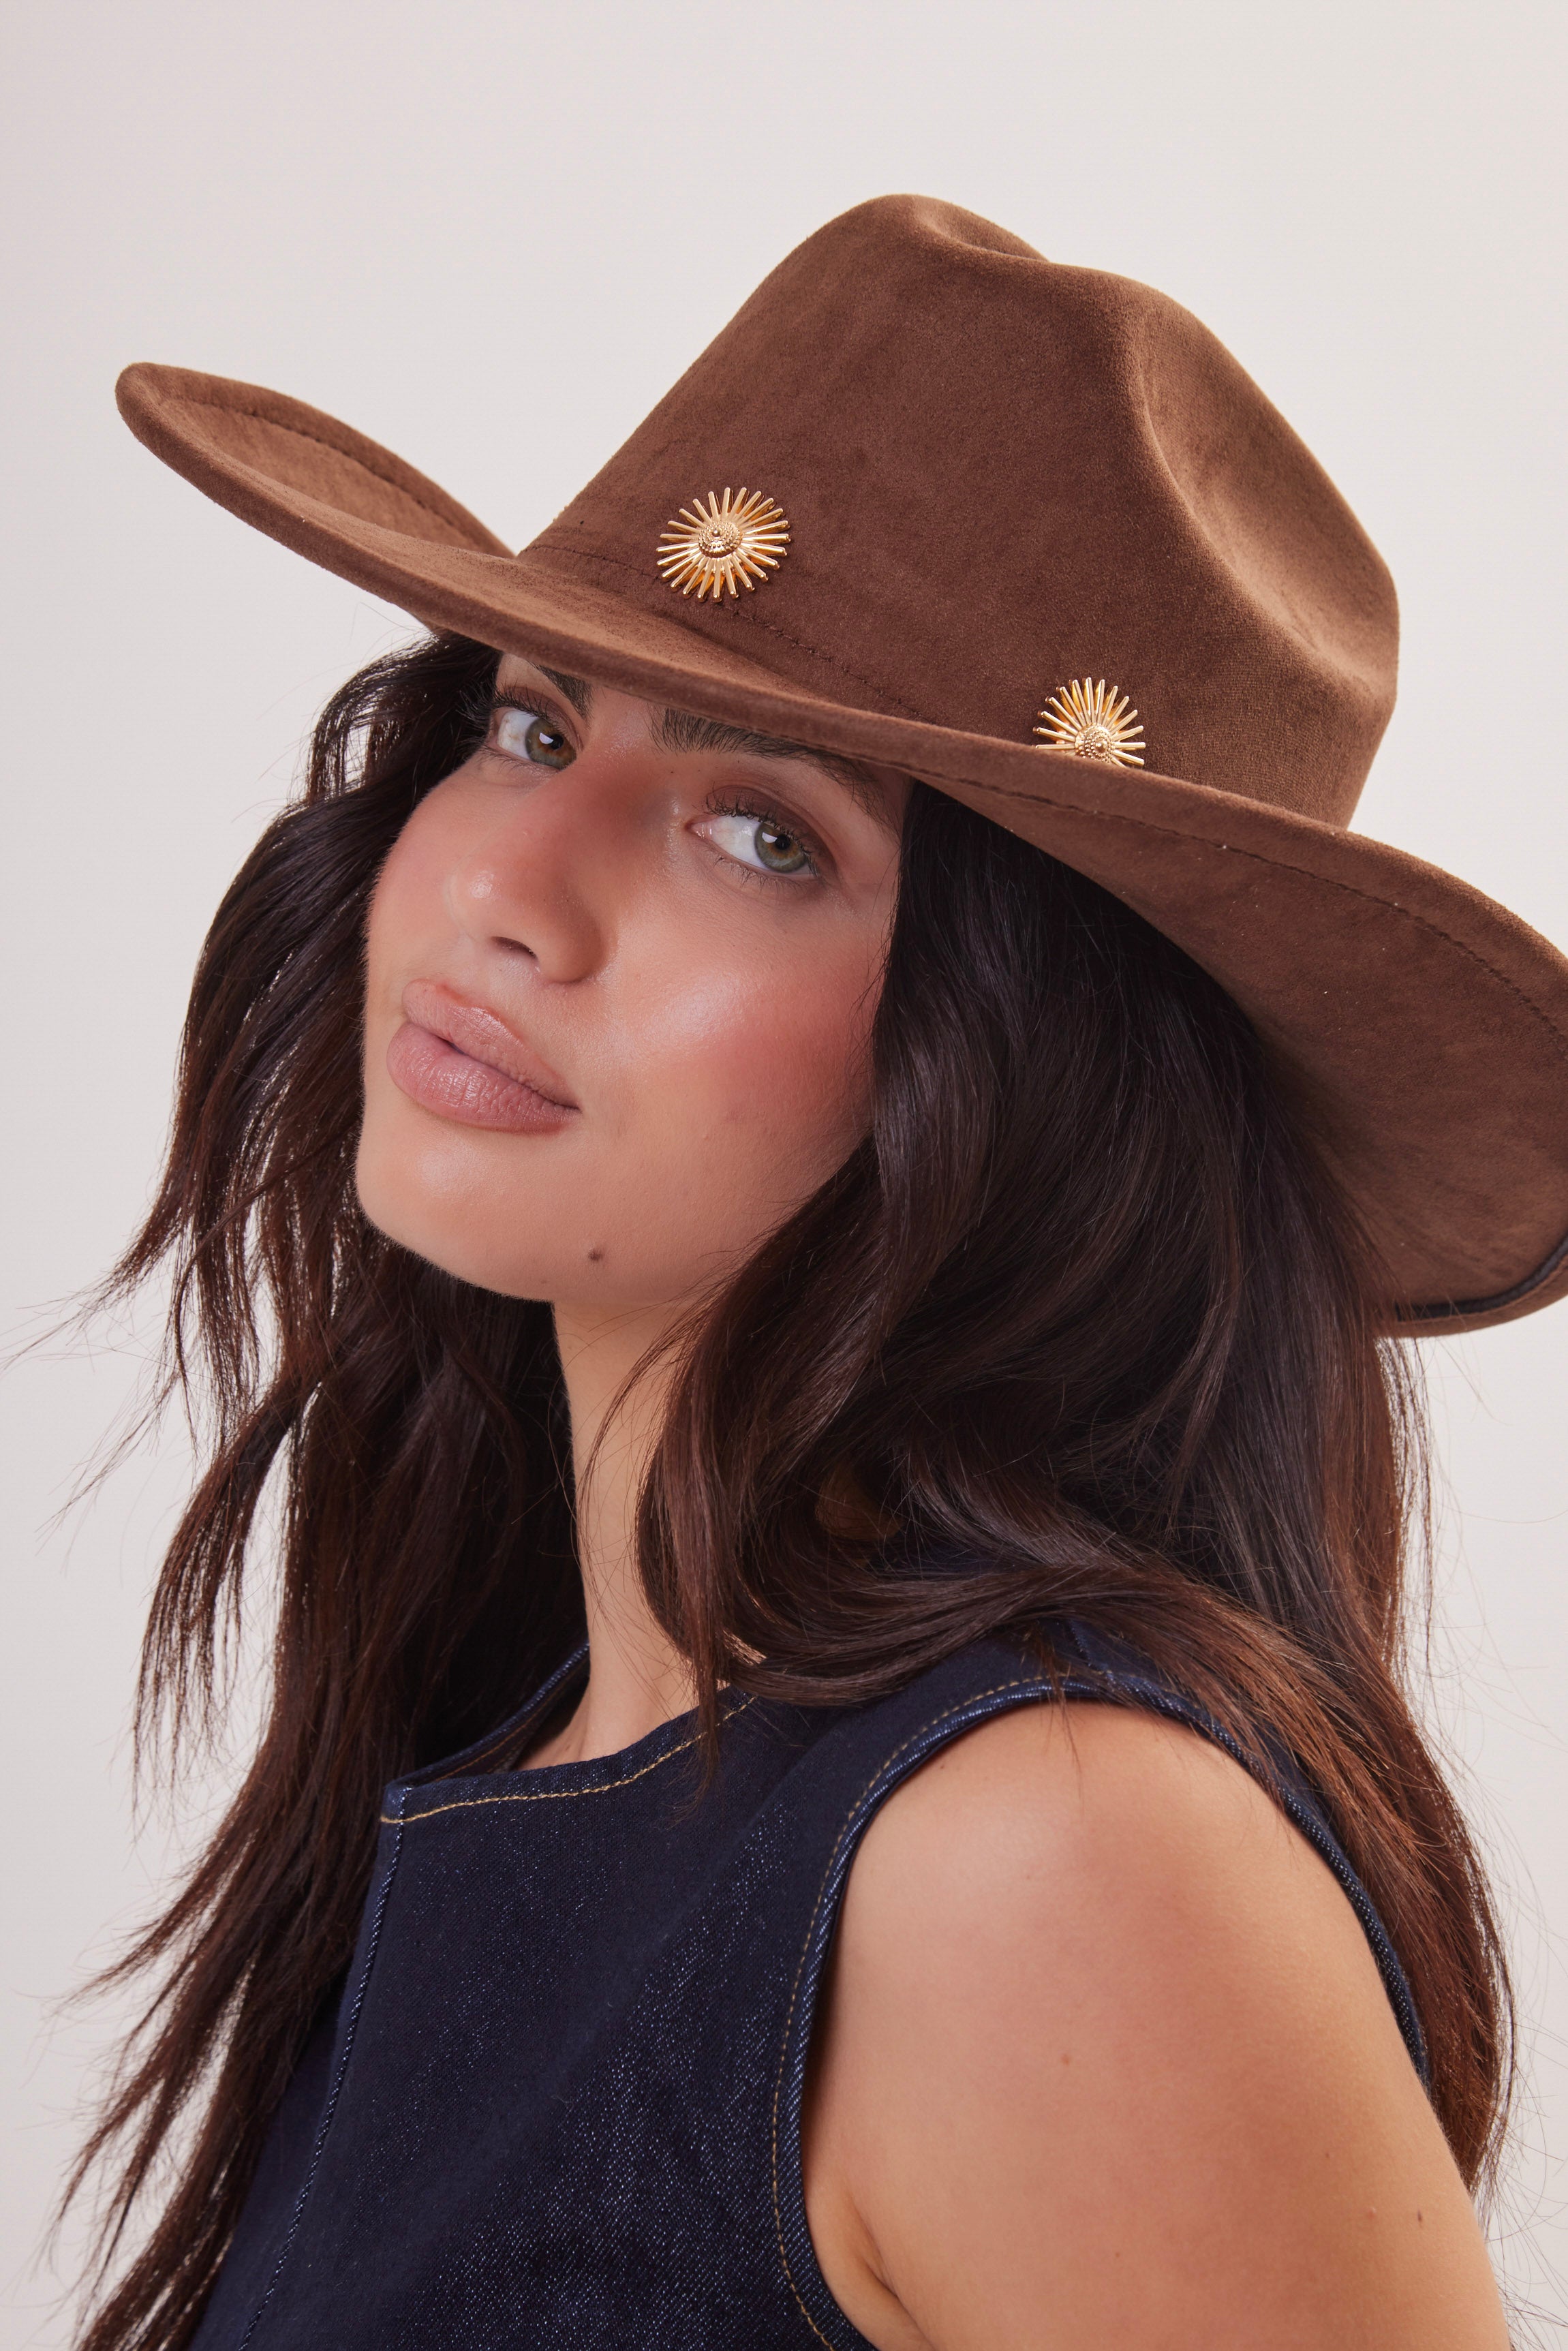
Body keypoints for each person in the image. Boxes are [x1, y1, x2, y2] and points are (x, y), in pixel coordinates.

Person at [70, 194, 1564, 2349]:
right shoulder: (539, 1754)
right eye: (539, 724)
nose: (518, 893)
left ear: (1024, 1076)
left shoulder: (1054, 1862)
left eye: (767, 831)